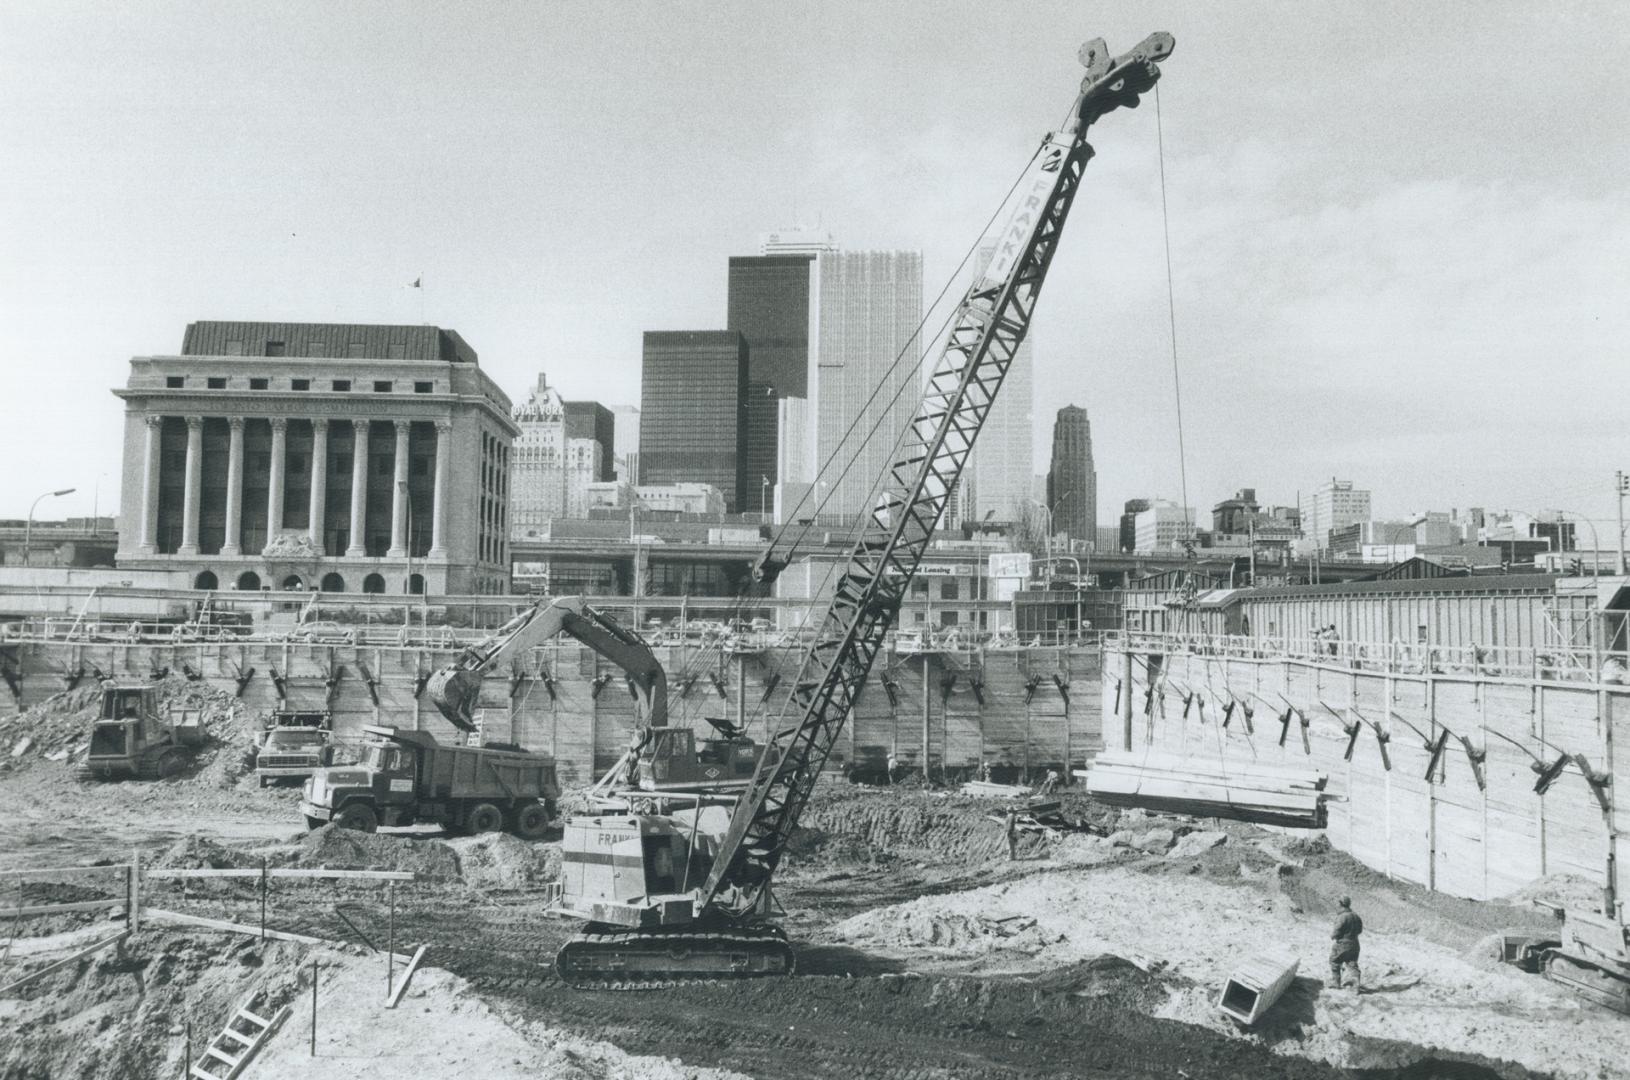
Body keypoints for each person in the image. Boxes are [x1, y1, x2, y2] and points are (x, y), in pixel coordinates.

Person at [1330, 895, 1363, 990]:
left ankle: (1336, 983)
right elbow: (1360, 930)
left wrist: (1333, 936)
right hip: (1355, 944)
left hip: (1343, 944)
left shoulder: (1342, 917)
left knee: (1334, 961)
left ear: (1341, 904)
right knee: (1352, 963)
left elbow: (1337, 931)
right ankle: (1356, 983)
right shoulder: (1356, 916)